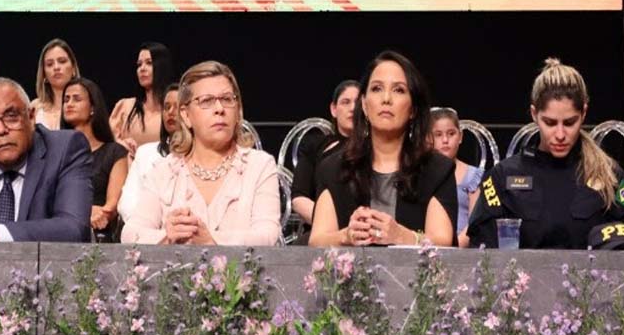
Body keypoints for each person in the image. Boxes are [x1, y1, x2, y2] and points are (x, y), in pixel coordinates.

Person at [468, 58, 624, 250]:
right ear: (534, 114)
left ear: (584, 113)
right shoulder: (501, 178)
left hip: (590, 279)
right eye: (550, 123)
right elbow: (483, 254)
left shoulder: (611, 177)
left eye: (569, 123)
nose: (560, 135)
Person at [121, 61, 282, 246]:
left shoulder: (259, 165)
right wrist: (166, 236)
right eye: (206, 101)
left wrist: (211, 240)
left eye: (228, 99)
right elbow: (130, 233)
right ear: (186, 115)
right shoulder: (164, 170)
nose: (220, 109)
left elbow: (268, 235)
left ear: (238, 111)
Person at [310, 51, 456, 247]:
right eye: (377, 88)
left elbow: (443, 242)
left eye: (399, 90)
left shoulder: (437, 169)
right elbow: (317, 241)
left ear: (413, 109)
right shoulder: (334, 168)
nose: (386, 98)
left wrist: (403, 237)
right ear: (363, 104)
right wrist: (345, 236)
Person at [0, 77, 92, 242]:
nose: (1, 130)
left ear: (31, 117)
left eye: (11, 116)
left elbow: (73, 228)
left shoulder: (64, 150)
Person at [61, 77, 129, 243]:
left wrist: (96, 214)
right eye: (66, 99)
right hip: (60, 232)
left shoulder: (114, 152)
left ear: (92, 108)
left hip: (99, 238)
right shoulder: (54, 154)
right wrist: (84, 212)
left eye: (77, 99)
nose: (69, 104)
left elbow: (112, 206)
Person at [290, 79, 359, 226]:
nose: (353, 108)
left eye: (358, 102)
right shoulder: (314, 146)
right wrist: (329, 224)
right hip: (321, 233)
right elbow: (298, 198)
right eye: (345, 102)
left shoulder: (377, 148)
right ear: (334, 109)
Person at [117, 83, 180, 223]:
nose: (171, 112)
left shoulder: (203, 154)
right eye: (167, 107)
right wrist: (147, 227)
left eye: (178, 106)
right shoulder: (145, 153)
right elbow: (127, 202)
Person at [109, 42, 175, 157]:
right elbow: (107, 140)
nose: (142, 69)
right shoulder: (125, 106)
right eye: (139, 65)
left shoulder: (172, 110)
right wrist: (120, 144)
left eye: (149, 63)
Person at [430, 107, 483, 247]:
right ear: (428, 138)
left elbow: (474, 222)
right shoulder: (420, 175)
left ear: (460, 137)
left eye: (451, 133)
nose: (445, 140)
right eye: (438, 135)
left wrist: (454, 248)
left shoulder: (473, 176)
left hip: (461, 251)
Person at [32, 38, 80, 130]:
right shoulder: (35, 107)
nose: (56, 67)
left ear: (73, 68)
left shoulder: (85, 106)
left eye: (62, 61)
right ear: (44, 74)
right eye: (50, 64)